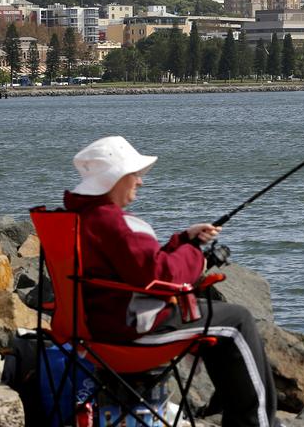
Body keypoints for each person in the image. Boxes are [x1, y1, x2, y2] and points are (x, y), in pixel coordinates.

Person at [63, 136, 277, 427]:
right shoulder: (115, 223)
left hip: (93, 326)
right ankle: (257, 424)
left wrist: (183, 240)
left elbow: (138, 269)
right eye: (135, 175)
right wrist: (198, 259)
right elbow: (163, 277)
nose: (140, 182)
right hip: (131, 329)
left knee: (219, 322)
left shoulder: (80, 218)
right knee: (237, 321)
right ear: (116, 179)